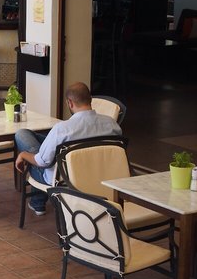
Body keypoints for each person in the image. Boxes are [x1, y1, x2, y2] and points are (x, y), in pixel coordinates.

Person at [15, 82, 122, 216]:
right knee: (42, 141)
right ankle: (37, 202)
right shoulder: (111, 124)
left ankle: (38, 202)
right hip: (99, 173)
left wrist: (23, 155)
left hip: (65, 179)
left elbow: (42, 162)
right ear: (90, 100)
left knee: (22, 135)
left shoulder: (62, 129)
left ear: (69, 103)